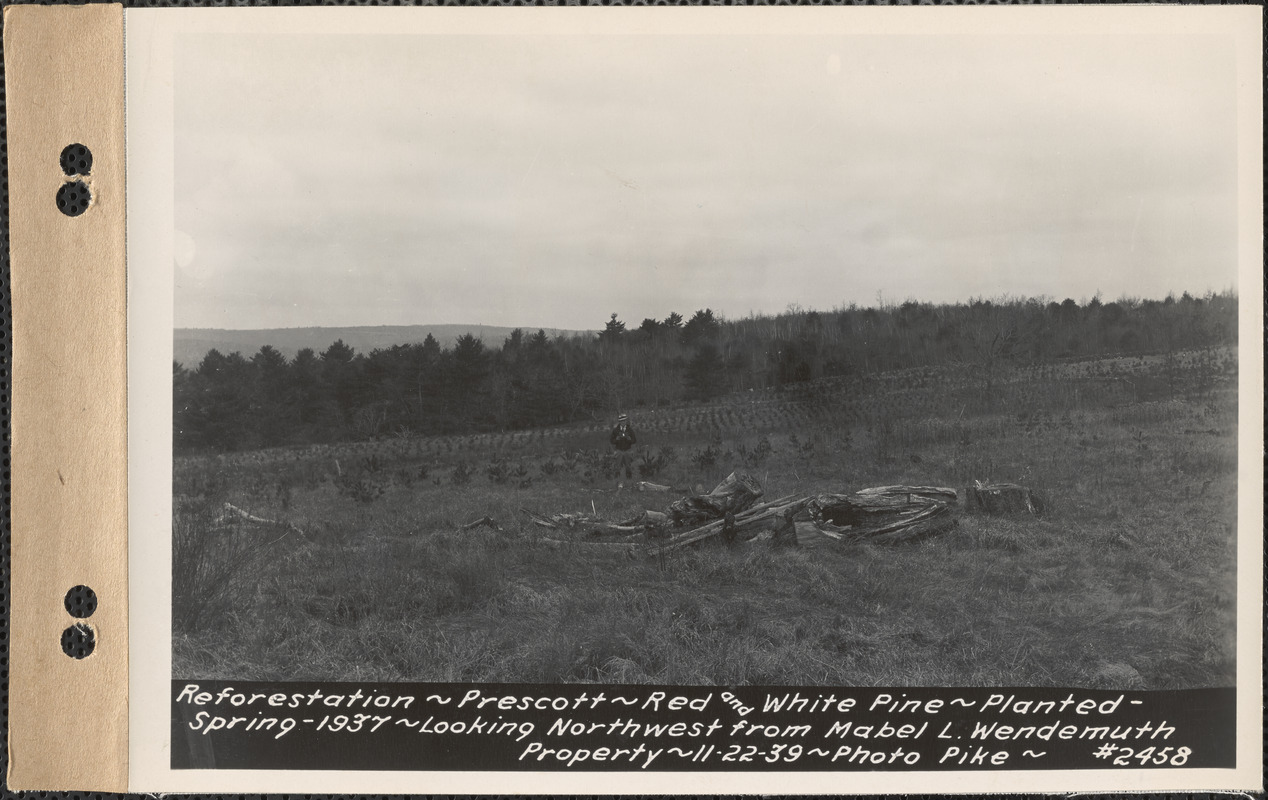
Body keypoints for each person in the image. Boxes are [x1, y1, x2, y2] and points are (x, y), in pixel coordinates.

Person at [609, 413, 637, 480]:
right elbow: (611, 441)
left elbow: (634, 440)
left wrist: (630, 439)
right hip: (619, 450)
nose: (623, 422)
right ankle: (617, 479)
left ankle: (629, 479)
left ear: (626, 421)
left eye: (624, 420)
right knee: (617, 465)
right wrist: (616, 440)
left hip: (627, 450)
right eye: (621, 421)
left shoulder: (630, 430)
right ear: (619, 421)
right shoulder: (616, 430)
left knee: (628, 465)